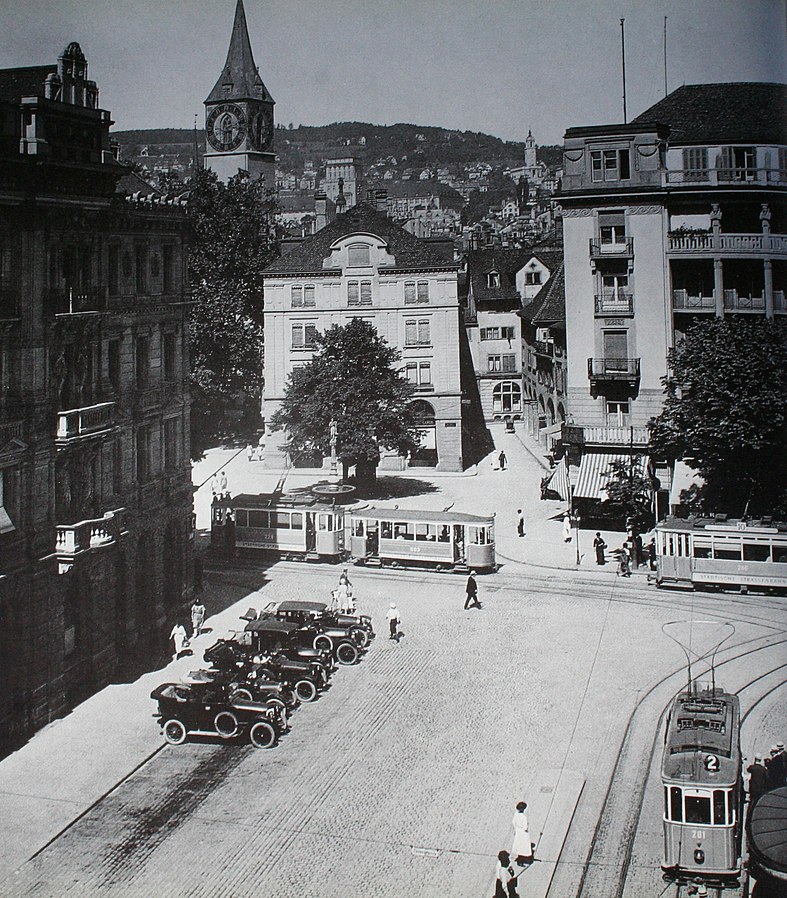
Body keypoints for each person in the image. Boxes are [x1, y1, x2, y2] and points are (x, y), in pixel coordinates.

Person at [512, 801, 534, 866]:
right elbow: (525, 827)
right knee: (524, 846)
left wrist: (516, 828)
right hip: (523, 833)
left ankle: (519, 859)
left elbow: (513, 822)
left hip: (518, 831)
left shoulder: (516, 814)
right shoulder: (524, 817)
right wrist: (526, 828)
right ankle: (523, 859)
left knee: (519, 845)